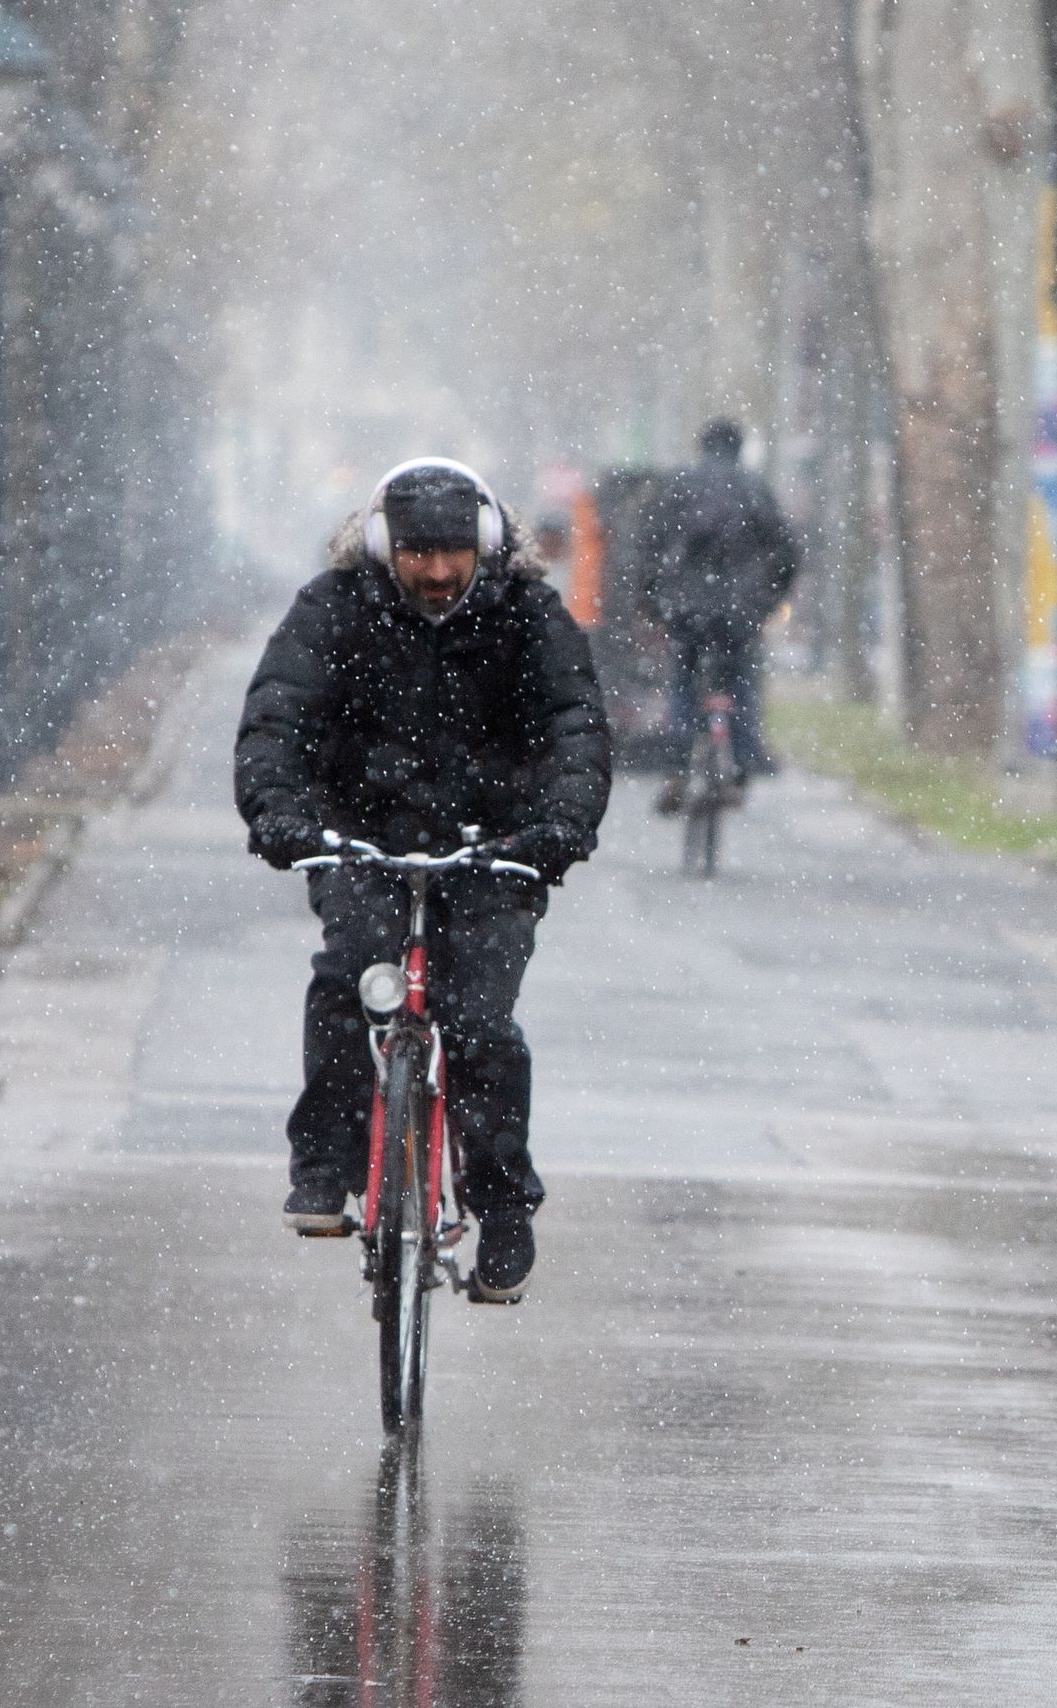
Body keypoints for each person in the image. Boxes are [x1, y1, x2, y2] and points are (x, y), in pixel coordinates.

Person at [237, 459, 610, 1304]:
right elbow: (276, 719)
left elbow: (575, 727)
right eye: (418, 555)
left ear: (483, 549)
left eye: (453, 554)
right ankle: (325, 1164)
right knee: (350, 979)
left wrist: (559, 826)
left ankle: (504, 1207)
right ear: (382, 548)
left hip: (494, 850)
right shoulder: (330, 611)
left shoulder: (529, 617)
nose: (437, 573)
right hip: (361, 843)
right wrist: (280, 814)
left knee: (480, 1023)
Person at [647, 418, 799, 812]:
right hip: (740, 609)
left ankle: (678, 765)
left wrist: (653, 602)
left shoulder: (681, 484)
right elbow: (786, 549)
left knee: (683, 679)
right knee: (742, 678)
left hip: (687, 608)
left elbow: (648, 542)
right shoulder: (755, 488)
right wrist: (769, 599)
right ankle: (744, 756)